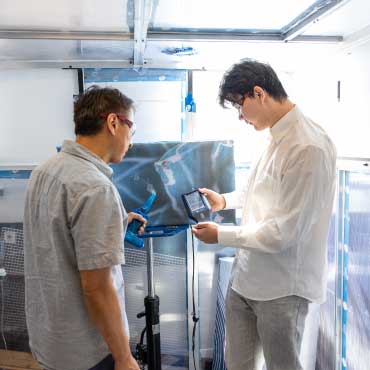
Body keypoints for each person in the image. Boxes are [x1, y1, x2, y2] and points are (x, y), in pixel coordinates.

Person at [192, 59, 337, 370]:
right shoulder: (275, 137)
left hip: (283, 289)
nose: (241, 117)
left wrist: (221, 235)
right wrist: (223, 201)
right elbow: (260, 189)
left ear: (258, 93)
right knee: (238, 365)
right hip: (246, 280)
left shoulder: (308, 147)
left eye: (239, 107)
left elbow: (285, 232)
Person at [23, 86, 145, 370]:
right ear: (113, 123)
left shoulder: (44, 170)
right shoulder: (96, 188)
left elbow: (57, 237)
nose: (131, 140)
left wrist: (116, 222)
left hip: (50, 341)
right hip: (87, 352)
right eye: (132, 129)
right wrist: (123, 357)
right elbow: (97, 289)